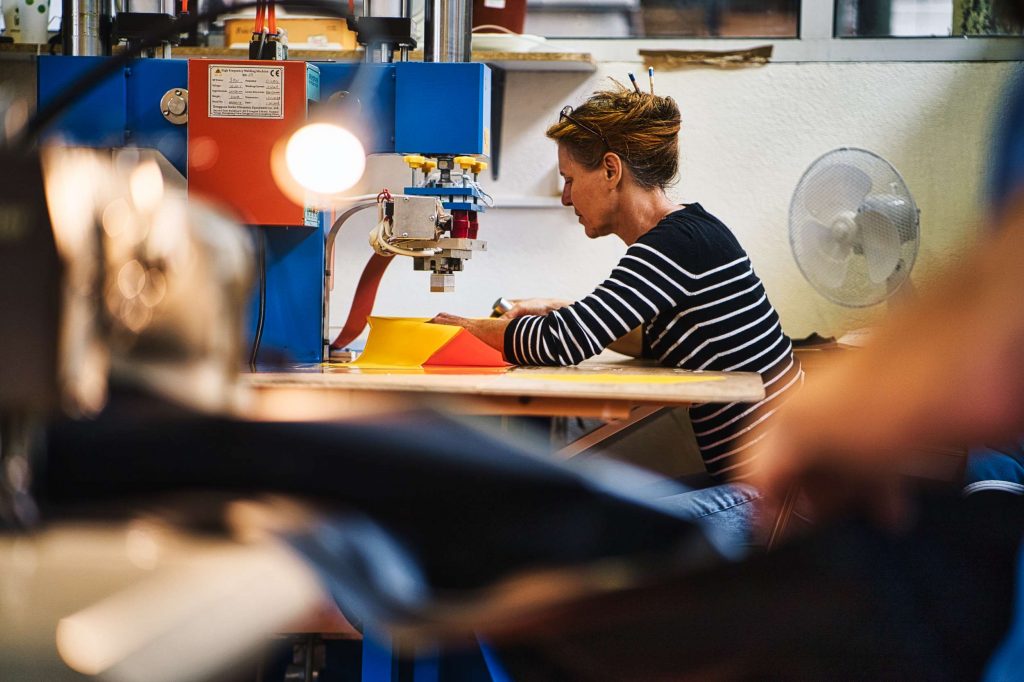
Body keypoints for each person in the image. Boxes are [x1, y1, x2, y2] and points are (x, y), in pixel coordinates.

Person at [433, 82, 803, 483]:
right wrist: (557, 308)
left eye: (570, 179)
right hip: (771, 481)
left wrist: (457, 329)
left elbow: (561, 343)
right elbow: (652, 339)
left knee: (586, 524)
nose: (566, 198)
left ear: (611, 170)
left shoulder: (676, 243)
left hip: (775, 496)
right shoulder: (690, 232)